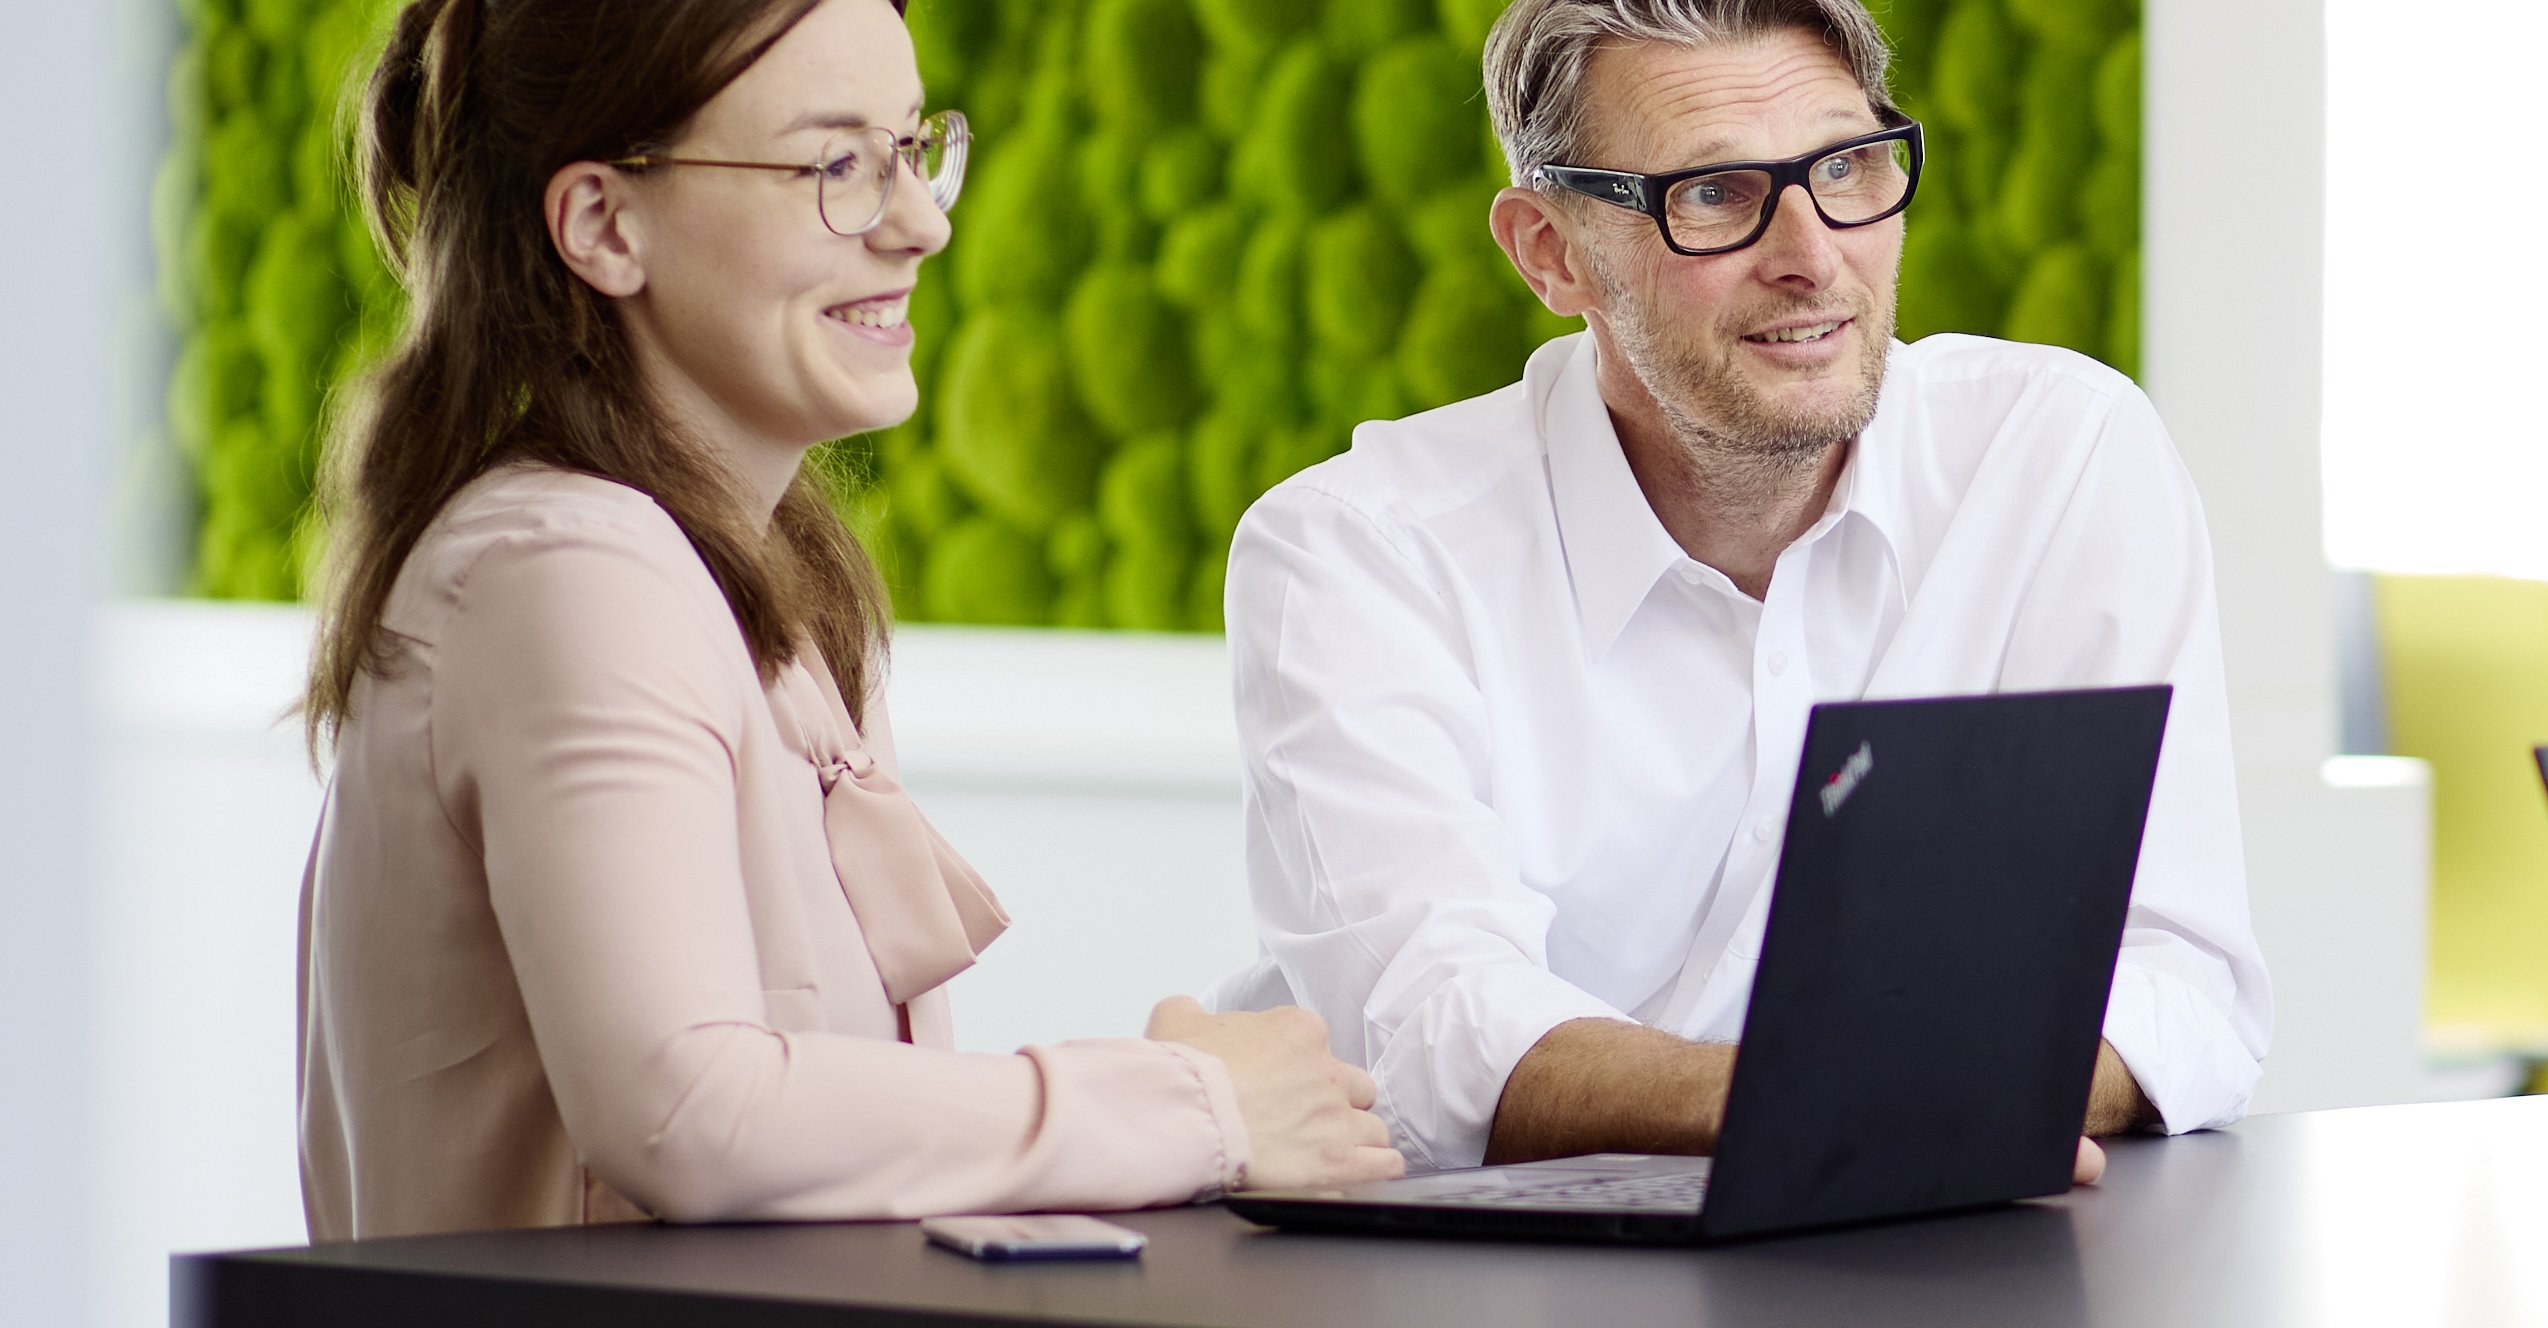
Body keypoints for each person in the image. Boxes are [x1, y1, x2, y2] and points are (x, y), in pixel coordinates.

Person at [296, 0, 1401, 1240]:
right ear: (603, 224)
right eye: (835, 165)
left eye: (913, 149)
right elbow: (686, 1108)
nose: (921, 221)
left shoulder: (750, 572)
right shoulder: (567, 566)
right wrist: (1191, 1102)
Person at [1216, 0, 2265, 1176]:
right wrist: (1879, 1097)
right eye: (1714, 193)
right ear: (1550, 252)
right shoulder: (1357, 551)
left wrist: (1915, 1102)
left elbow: (2179, 980)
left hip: (1913, 1234)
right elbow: (1437, 1033)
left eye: (1848, 167)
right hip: (1475, 1256)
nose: (1812, 255)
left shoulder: (2061, 458)